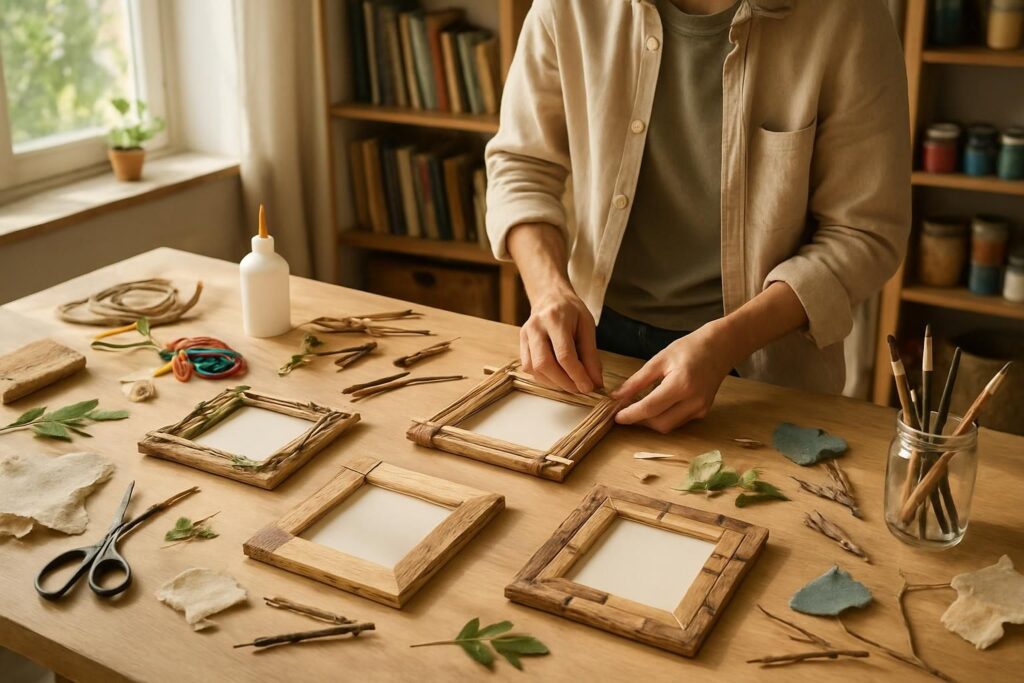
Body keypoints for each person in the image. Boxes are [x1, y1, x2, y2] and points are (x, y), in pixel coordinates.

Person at [484, 0, 911, 432]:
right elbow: (522, 164)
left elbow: (864, 232)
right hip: (593, 343)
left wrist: (726, 343)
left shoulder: (847, 15)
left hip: (762, 365)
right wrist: (549, 292)